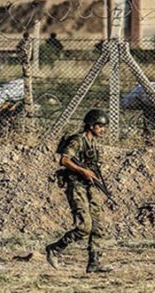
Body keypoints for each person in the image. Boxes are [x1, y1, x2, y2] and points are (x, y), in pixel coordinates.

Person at [45, 109, 113, 274]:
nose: (102, 129)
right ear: (91, 126)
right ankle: (55, 248)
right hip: (77, 186)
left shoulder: (93, 143)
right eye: (100, 126)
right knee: (84, 227)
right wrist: (83, 172)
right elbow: (64, 160)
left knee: (98, 226)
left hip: (89, 186)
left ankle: (94, 262)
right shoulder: (78, 140)